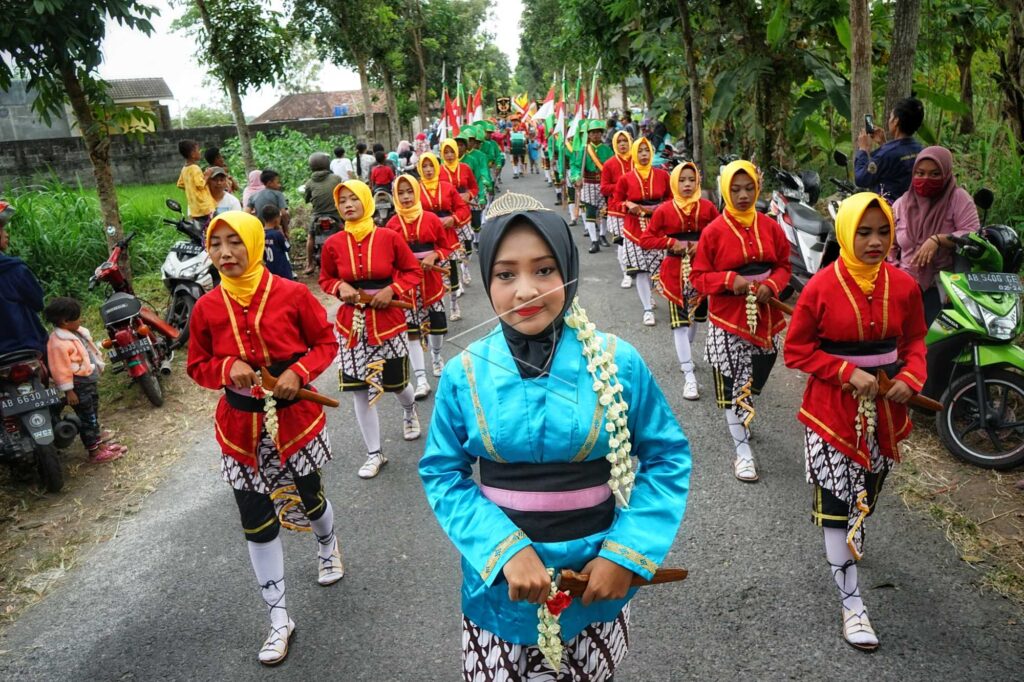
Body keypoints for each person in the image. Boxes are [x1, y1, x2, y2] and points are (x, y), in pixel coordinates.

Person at [420, 192, 691, 682]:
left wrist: (625, 554)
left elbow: (666, 456)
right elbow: (442, 472)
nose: (526, 290)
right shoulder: (463, 374)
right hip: (500, 589)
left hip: (596, 582)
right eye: (506, 274)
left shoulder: (618, 361)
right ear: (487, 278)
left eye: (544, 270)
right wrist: (504, 549)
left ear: (568, 270)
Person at [186, 210, 344, 665]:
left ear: (255, 243)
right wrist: (222, 369)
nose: (225, 252)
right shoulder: (206, 307)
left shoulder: (292, 294)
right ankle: (279, 620)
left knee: (309, 499)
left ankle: (327, 546)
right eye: (215, 244)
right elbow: (196, 365)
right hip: (241, 433)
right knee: (256, 522)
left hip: (295, 423)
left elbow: (326, 344)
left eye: (235, 242)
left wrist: (299, 371)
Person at [784, 192, 927, 652]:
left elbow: (916, 341)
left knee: (867, 495)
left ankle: (850, 545)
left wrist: (911, 376)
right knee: (838, 507)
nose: (875, 241)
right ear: (845, 232)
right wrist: (845, 371)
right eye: (863, 232)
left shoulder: (904, 286)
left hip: (885, 414)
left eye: (883, 231)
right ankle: (852, 604)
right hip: (830, 415)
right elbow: (797, 351)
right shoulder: (821, 287)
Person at [691, 160, 791, 483]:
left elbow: (784, 266)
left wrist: (772, 285)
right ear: (724, 191)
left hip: (765, 316)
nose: (743, 195)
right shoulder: (713, 232)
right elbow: (698, 277)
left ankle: (744, 412)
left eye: (749, 188)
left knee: (757, 375)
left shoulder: (771, 226)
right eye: (735, 190)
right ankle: (742, 453)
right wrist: (727, 280)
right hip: (727, 319)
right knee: (735, 386)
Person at [319, 181, 423, 479]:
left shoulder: (389, 238)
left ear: (367, 201)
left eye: (354, 198)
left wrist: (392, 290)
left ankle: (409, 410)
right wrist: (341, 287)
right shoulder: (333, 244)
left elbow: (412, 271)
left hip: (389, 324)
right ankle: (374, 453)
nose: (348, 204)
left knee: (396, 384)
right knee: (360, 391)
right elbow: (326, 278)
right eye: (343, 201)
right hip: (351, 327)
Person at [640, 162, 720, 400]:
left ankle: (687, 357)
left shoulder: (707, 207)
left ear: (698, 182)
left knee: (695, 320)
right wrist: (669, 243)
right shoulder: (664, 210)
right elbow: (646, 239)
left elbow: (720, 233)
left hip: (702, 273)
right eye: (682, 180)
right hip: (673, 273)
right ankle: (689, 376)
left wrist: (702, 244)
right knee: (680, 324)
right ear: (675, 182)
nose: (687, 184)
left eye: (691, 180)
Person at [891, 146, 981, 326]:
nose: (925, 179)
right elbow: (890, 244)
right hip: (903, 284)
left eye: (934, 174)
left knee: (934, 343)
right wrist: (892, 274)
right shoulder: (902, 204)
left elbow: (972, 233)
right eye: (920, 173)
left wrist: (938, 239)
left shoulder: (958, 198)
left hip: (942, 286)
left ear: (946, 173)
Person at [385, 174, 452, 399]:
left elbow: (445, 246)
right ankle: (421, 379)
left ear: (417, 192)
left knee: (436, 327)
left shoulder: (432, 219)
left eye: (409, 191)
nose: (405, 197)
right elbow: (389, 258)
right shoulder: (392, 224)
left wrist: (435, 255)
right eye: (400, 193)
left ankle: (435, 355)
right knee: (412, 333)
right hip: (406, 286)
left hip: (431, 282)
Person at [44, 297, 126, 463]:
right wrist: (69, 390)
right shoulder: (57, 343)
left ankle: (100, 445)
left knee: (92, 414)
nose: (81, 320)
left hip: (87, 381)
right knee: (87, 418)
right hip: (78, 384)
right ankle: (94, 452)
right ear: (65, 321)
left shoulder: (75, 332)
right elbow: (60, 369)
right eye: (78, 318)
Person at [615, 137, 671, 326]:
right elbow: (616, 202)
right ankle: (647, 309)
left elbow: (672, 198)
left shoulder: (663, 175)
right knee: (640, 270)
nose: (644, 155)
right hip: (634, 228)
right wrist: (627, 204)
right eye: (640, 151)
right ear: (634, 153)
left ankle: (659, 297)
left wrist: (660, 208)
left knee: (658, 269)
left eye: (647, 151)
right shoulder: (626, 178)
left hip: (658, 227)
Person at [418, 152, 471, 324]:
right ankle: (434, 314)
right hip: (426, 242)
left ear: (436, 166)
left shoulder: (447, 187)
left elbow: (463, 209)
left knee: (452, 275)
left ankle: (454, 305)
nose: (428, 170)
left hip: (448, 238)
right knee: (431, 277)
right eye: (424, 166)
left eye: (431, 166)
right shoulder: (416, 189)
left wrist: (453, 219)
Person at [0, 202, 48, 357]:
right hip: (26, 344)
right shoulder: (15, 269)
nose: (6, 234)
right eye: (1, 229)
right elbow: (38, 303)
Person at [855, 97, 925, 202]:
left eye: (891, 116)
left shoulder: (886, 154)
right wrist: (884, 144)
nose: (889, 120)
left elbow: (861, 178)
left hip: (888, 211)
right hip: (910, 207)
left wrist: (863, 149)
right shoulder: (920, 149)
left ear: (896, 121)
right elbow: (897, 163)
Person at [574, 120, 614, 254]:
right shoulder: (584, 150)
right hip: (589, 184)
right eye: (592, 133)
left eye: (598, 132)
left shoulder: (607, 149)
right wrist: (576, 178)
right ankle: (594, 240)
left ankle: (602, 235)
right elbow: (576, 167)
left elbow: (613, 167)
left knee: (604, 212)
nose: (595, 135)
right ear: (589, 135)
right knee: (590, 213)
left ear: (601, 134)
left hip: (604, 184)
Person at [601, 130, 635, 289]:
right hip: (617, 209)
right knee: (622, 243)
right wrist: (622, 187)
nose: (623, 144)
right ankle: (626, 274)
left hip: (638, 209)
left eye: (625, 141)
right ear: (615, 144)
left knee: (639, 244)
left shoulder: (638, 161)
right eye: (619, 141)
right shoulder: (609, 164)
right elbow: (604, 188)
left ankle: (641, 272)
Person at [302, 153, 343, 275]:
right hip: (335, 214)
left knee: (310, 237)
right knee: (346, 233)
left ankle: (310, 264)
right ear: (327, 164)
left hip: (317, 215)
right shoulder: (336, 178)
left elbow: (306, 199)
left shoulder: (309, 183)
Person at [176, 139, 217, 229]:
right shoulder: (195, 168)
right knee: (210, 228)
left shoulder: (184, 169)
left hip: (194, 208)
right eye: (197, 150)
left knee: (200, 230)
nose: (199, 153)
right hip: (205, 207)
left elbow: (180, 184)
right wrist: (207, 175)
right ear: (192, 154)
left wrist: (191, 189)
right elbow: (200, 185)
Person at [247, 169, 290, 236]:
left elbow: (246, 213)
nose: (279, 185)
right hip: (276, 229)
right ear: (269, 183)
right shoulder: (278, 194)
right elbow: (284, 213)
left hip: (261, 230)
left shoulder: (254, 196)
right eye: (277, 182)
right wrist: (286, 230)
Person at [260, 205, 294, 280]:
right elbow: (287, 247)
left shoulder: (260, 234)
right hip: (282, 270)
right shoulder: (277, 234)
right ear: (276, 220)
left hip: (269, 270)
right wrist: (283, 234)